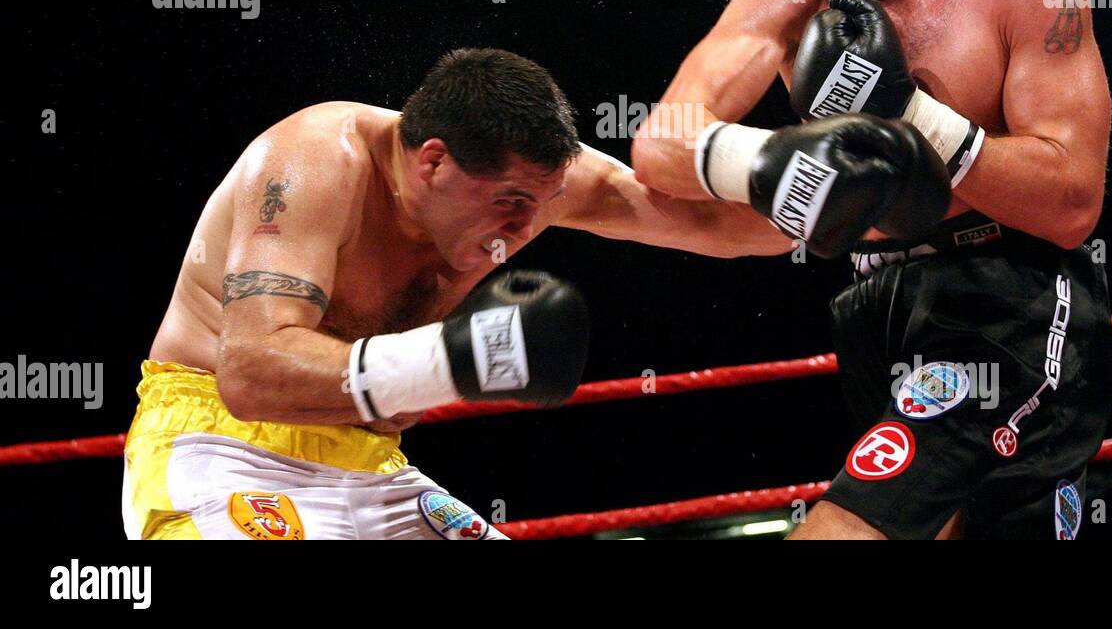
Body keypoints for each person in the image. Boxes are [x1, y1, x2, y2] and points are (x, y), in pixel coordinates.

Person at [123, 46, 932, 540]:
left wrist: (853, 211)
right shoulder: (311, 162)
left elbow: (702, 226)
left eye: (541, 204)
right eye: (507, 202)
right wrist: (450, 360)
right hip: (219, 446)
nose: (520, 230)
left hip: (368, 460)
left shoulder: (538, 185)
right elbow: (251, 368)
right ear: (432, 160)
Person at [632, 0, 1112, 539]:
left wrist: (907, 112)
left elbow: (1072, 202)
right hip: (872, 305)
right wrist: (770, 161)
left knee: (850, 528)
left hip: (1006, 298)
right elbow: (662, 143)